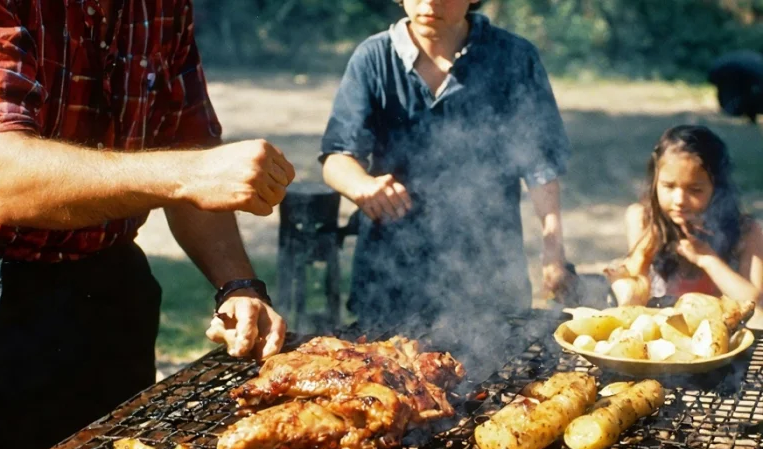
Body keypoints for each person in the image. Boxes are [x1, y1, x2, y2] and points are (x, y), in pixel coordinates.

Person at [0, 1, 295, 449]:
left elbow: (190, 150)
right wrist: (187, 173)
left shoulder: (164, 7)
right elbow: (3, 179)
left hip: (112, 288)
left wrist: (238, 285)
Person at [319, 0, 574, 339]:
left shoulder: (513, 57)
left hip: (489, 274)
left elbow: (540, 164)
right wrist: (361, 185)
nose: (429, 2)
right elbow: (337, 157)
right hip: (390, 276)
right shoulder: (373, 58)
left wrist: (553, 247)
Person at [607, 125, 763, 328]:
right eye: (669, 186)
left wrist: (707, 259)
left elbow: (753, 301)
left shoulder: (747, 231)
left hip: (720, 334)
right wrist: (646, 249)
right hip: (660, 332)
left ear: (717, 188)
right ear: (655, 182)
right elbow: (635, 295)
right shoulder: (641, 218)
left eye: (695, 189)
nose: (679, 200)